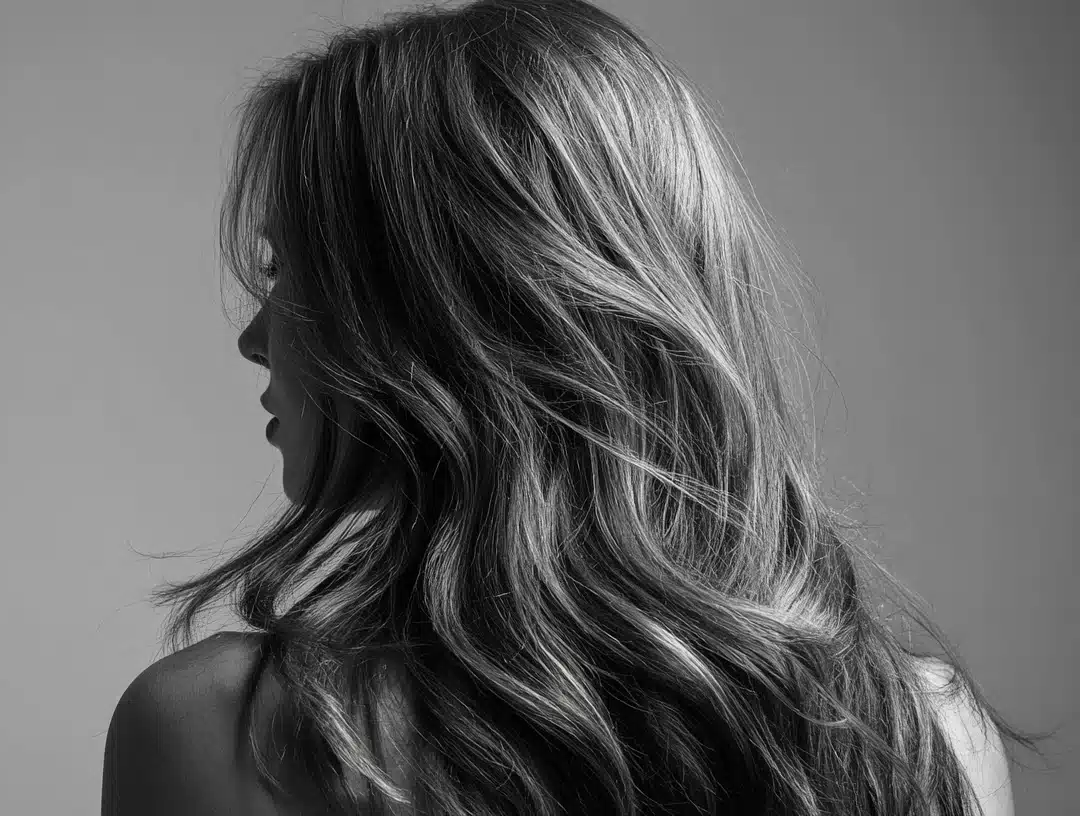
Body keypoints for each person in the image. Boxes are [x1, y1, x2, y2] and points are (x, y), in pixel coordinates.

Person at [103, 1, 1050, 813]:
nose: (254, 336)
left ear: (435, 312)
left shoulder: (228, 740)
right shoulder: (920, 739)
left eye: (288, 269)